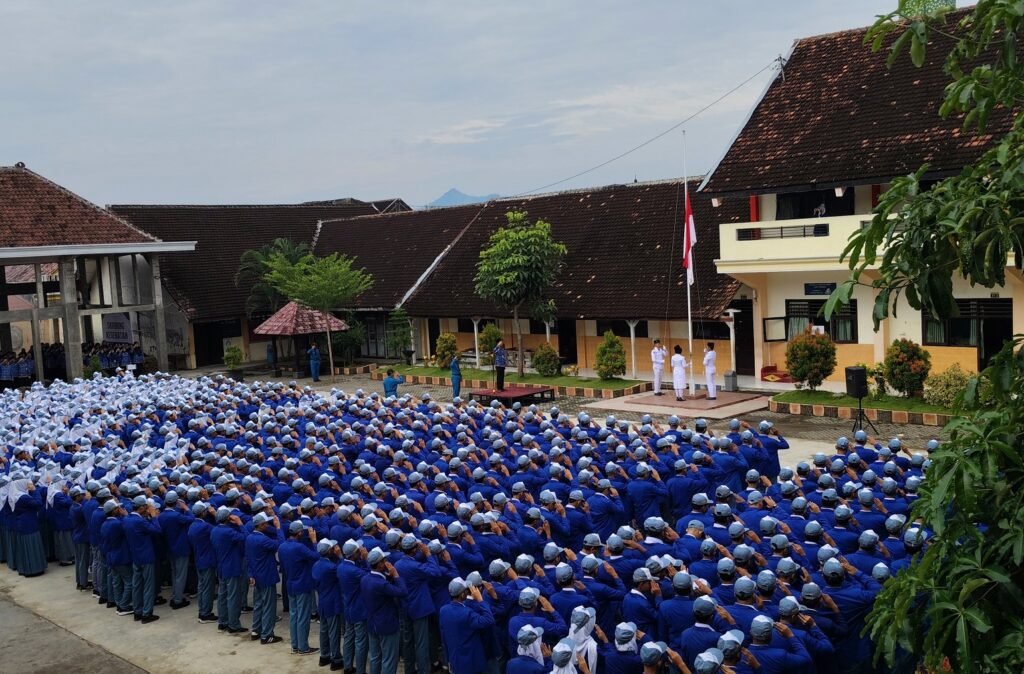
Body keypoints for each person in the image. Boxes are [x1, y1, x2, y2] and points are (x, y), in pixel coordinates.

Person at [361, 546, 408, 674]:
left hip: (372, 623)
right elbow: (403, 592)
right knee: (389, 659)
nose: (387, 562)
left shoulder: (365, 579)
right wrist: (396, 575)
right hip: (387, 625)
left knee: (375, 657)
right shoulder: (381, 584)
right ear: (380, 564)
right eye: (384, 560)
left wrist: (388, 577)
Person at [279, 519, 321, 656]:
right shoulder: (299, 547)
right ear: (299, 533)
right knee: (303, 617)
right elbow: (316, 556)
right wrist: (314, 541)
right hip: (302, 584)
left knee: (294, 616)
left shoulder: (282, 546)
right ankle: (303, 647)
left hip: (290, 583)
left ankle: (295, 645)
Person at [440, 577, 498, 674]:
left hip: (455, 660)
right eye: (466, 590)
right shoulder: (467, 613)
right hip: (471, 663)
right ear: (463, 594)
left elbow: (444, 638)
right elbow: (489, 619)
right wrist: (480, 600)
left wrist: (448, 660)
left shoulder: (443, 610)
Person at [123, 495, 162, 623]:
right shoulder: (139, 521)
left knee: (137, 585)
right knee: (148, 586)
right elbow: (157, 530)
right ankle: (147, 613)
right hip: (146, 557)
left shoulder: (127, 519)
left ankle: (138, 611)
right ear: (141, 508)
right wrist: (154, 516)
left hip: (136, 556)